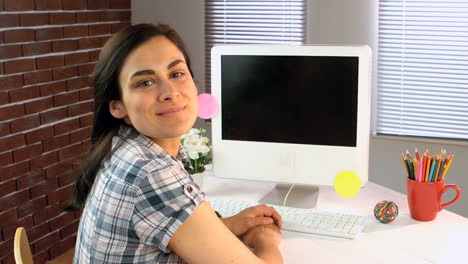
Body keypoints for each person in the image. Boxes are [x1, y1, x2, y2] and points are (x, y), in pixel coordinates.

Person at [67, 23, 283, 264]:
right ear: (117, 105)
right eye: (145, 82)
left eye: (176, 74)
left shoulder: (126, 148)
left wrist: (228, 225)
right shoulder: (152, 173)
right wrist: (267, 242)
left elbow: (157, 228)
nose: (170, 92)